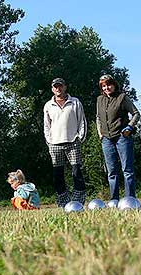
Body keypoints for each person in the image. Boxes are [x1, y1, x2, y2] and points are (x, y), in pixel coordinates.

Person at [43, 78, 87, 207]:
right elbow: (46, 125)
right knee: (58, 175)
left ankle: (78, 202)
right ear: (52, 89)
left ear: (65, 87)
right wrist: (49, 141)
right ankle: (63, 203)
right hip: (55, 143)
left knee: (76, 172)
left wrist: (80, 138)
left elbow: (82, 122)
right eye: (55, 87)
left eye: (60, 86)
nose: (58, 89)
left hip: (73, 142)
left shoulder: (75, 102)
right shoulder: (48, 105)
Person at [96, 74, 140, 201]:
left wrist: (129, 127)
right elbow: (98, 117)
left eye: (109, 85)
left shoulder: (122, 97)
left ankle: (130, 199)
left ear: (114, 85)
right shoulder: (99, 100)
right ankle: (114, 200)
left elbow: (136, 114)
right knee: (111, 172)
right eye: (104, 86)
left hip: (122, 137)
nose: (106, 88)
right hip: (106, 139)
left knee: (127, 170)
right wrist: (100, 134)